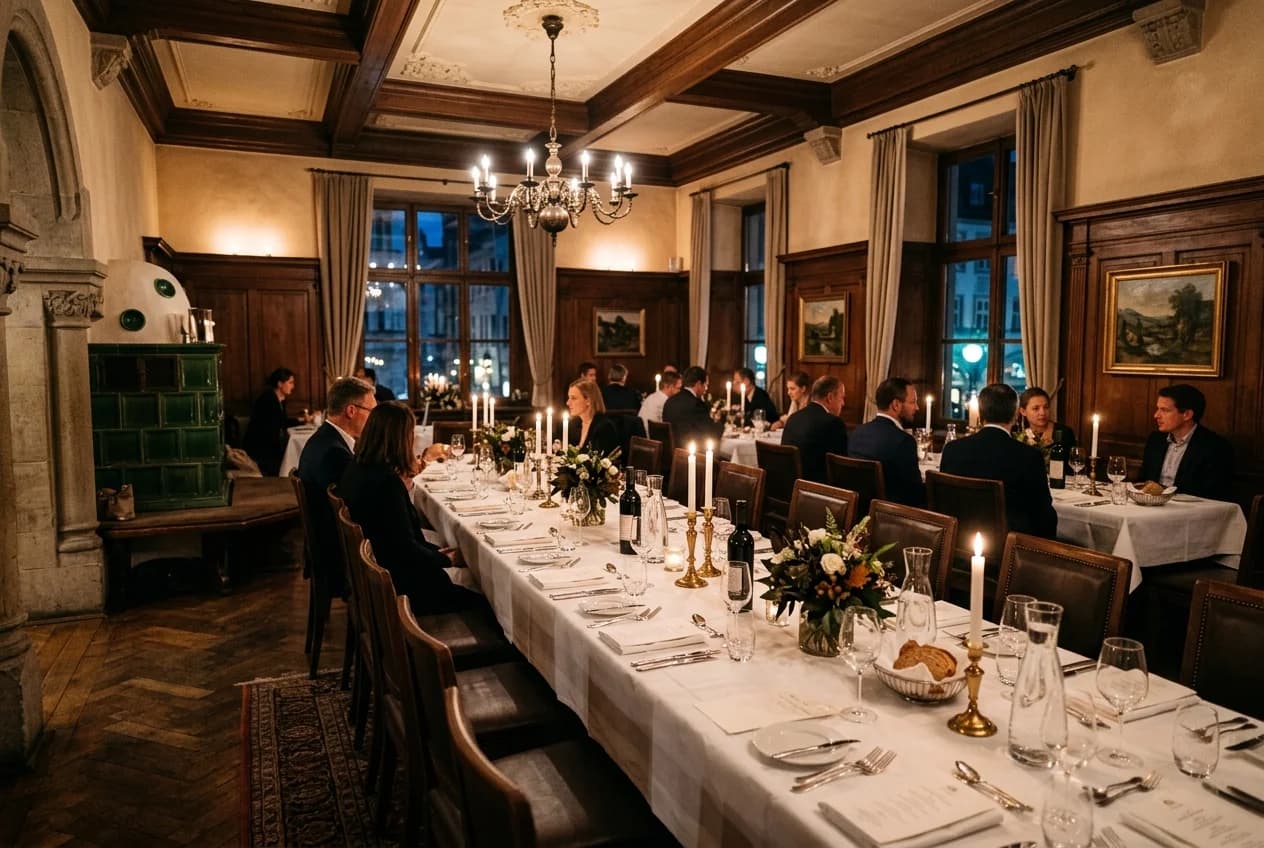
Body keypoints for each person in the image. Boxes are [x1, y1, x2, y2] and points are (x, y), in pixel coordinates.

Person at [337, 403, 477, 612]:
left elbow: (398, 537)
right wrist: (445, 559)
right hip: (405, 590)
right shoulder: (386, 483)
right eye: (410, 433)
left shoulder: (357, 468)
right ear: (399, 438)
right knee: (490, 602)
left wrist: (437, 552)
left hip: (386, 576)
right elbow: (405, 549)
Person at [939, 383, 1057, 538]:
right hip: (1010, 550)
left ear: (980, 414)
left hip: (958, 540)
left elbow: (945, 503)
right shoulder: (1028, 457)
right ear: (1016, 415)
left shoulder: (952, 450)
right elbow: (1044, 516)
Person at [1138, 384, 1234, 501]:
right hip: (1152, 506)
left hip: (1191, 513)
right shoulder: (1156, 440)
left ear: (1187, 414)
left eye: (1164, 410)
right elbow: (1143, 481)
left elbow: (1212, 495)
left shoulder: (1215, 447)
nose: (1156, 415)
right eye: (1158, 409)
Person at [848, 377, 926, 507]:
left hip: (859, 511)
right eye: (913, 402)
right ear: (896, 405)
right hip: (891, 517)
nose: (917, 408)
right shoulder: (903, 441)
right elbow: (914, 494)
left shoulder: (857, 433)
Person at [297, 377, 376, 493]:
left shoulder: (324, 437)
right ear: (351, 411)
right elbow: (357, 501)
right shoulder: (334, 453)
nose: (373, 419)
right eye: (371, 412)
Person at [781, 376, 848, 484]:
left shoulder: (793, 418)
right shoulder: (833, 423)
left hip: (788, 485)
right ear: (830, 397)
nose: (843, 403)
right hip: (817, 491)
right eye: (842, 398)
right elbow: (840, 467)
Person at [244, 367, 301, 476]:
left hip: (270, 444)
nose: (293, 386)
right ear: (280, 384)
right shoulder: (268, 399)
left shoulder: (279, 399)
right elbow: (273, 427)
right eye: (290, 383)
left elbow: (282, 421)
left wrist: (301, 420)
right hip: (260, 446)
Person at [662, 365, 722, 448]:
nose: (706, 389)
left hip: (673, 453)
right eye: (705, 385)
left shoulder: (670, 401)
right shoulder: (696, 404)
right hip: (691, 454)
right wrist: (720, 423)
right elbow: (712, 434)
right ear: (698, 384)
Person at [566, 378, 620, 455]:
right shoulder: (574, 424)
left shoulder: (604, 427)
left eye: (573, 398)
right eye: (569, 397)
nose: (568, 402)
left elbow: (603, 462)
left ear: (588, 400)